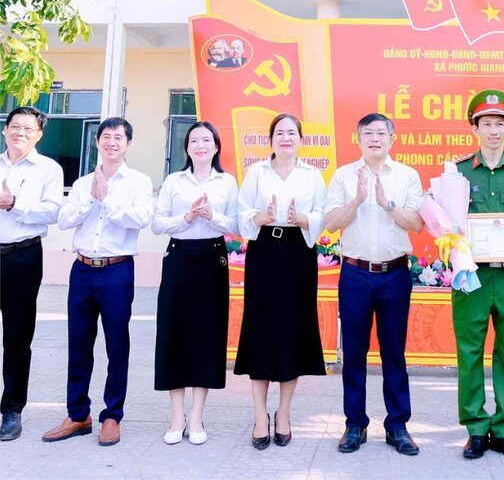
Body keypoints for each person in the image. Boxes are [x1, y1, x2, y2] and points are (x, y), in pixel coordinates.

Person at [43, 117, 153, 446]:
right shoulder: (82, 183)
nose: (111, 142)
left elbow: (140, 219)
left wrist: (107, 200)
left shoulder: (139, 182)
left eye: (118, 138)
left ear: (128, 144)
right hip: (82, 270)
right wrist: (92, 198)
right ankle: (78, 414)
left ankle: (112, 416)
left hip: (117, 270)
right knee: (78, 344)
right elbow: (64, 220)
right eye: (106, 137)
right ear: (97, 142)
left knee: (117, 345)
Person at [324, 113, 424, 456]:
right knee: (354, 352)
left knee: (394, 351)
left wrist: (386, 204)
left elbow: (417, 223)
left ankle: (397, 425)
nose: (375, 139)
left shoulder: (407, 176)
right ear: (359, 139)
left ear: (392, 139)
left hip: (394, 275)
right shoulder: (343, 176)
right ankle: (355, 424)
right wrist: (357, 200)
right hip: (355, 274)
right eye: (368, 133)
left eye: (382, 133)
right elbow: (331, 223)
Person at [451, 89, 504, 461]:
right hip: (471, 278)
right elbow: (447, 223)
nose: (493, 131)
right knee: (469, 352)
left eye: (500, 124)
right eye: (486, 123)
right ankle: (475, 429)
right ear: (475, 128)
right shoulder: (456, 172)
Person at [235, 113, 328, 450]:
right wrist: (259, 217)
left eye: (292, 133)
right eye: (279, 133)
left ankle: (284, 412)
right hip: (264, 252)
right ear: (271, 139)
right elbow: (242, 213)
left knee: (293, 331)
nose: (286, 138)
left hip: (298, 254)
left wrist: (302, 219)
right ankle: (260, 414)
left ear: (300, 139)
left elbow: (323, 214)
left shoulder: (312, 175)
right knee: (260, 330)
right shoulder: (257, 172)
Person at [151, 121, 239, 446]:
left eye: (206, 140)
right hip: (179, 257)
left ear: (216, 146)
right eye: (193, 141)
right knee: (173, 333)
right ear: (186, 148)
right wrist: (186, 218)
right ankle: (177, 416)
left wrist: (212, 215)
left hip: (212, 259)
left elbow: (237, 225)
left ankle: (198, 415)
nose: (200, 146)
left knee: (206, 336)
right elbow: (157, 224)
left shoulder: (227, 182)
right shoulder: (174, 181)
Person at [0, 106, 64, 441]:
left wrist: (14, 204)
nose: (19, 133)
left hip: (22, 256)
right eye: (15, 126)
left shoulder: (48, 169)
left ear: (38, 135)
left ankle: (11, 410)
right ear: (5, 129)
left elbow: (52, 212)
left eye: (27, 129)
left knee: (17, 336)